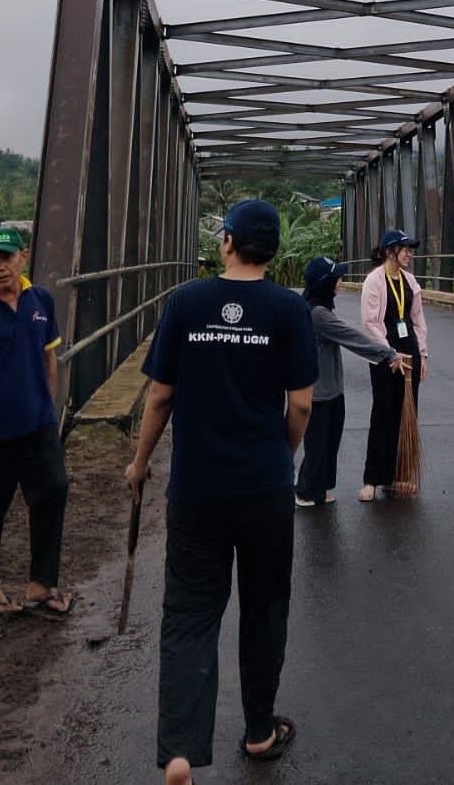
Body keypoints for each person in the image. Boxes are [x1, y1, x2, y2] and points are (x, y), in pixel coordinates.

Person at [124, 199, 317, 785]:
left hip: (197, 488)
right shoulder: (289, 309)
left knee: (189, 613)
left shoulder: (186, 302)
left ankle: (181, 753)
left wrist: (139, 464)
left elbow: (160, 397)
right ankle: (259, 731)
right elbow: (301, 405)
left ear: (227, 241)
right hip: (264, 486)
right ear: (273, 249)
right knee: (264, 608)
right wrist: (281, 456)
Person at [0, 226, 72, 617]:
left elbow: (48, 357)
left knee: (53, 491)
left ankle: (42, 585)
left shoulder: (41, 299)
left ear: (23, 257)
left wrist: (49, 408)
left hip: (38, 423)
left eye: (6, 257)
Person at [296, 254, 409, 508]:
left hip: (331, 389)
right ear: (325, 283)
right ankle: (305, 491)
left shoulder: (319, 308)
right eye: (336, 278)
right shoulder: (318, 314)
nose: (340, 282)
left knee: (329, 441)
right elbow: (353, 338)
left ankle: (320, 488)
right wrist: (388, 353)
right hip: (319, 392)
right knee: (318, 444)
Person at [359, 229, 428, 501]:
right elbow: (370, 323)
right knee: (383, 414)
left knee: (406, 415)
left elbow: (417, 319)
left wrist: (423, 355)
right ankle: (372, 480)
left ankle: (397, 476)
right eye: (404, 249)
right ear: (390, 252)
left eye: (410, 249)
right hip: (385, 358)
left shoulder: (410, 280)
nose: (409, 253)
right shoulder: (374, 280)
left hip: (410, 356)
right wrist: (390, 354)